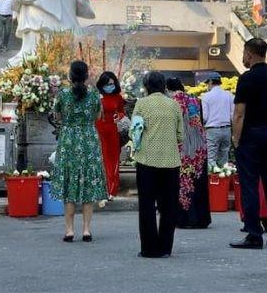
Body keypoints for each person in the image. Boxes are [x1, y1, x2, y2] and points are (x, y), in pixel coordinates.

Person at [230, 38, 267, 250]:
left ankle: (254, 234)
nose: (244, 58)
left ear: (249, 54)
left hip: (251, 136)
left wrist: (236, 139)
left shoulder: (247, 79)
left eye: (244, 54)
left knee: (250, 185)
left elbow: (239, 114)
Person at [50, 61, 107, 242]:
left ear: (71, 75)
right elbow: (98, 116)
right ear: (86, 75)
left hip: (69, 141)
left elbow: (57, 116)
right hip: (89, 139)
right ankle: (87, 230)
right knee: (88, 185)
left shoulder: (63, 94)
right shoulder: (94, 95)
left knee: (69, 185)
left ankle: (69, 230)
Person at [131, 71, 183, 258]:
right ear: (163, 86)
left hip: (146, 160)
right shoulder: (174, 105)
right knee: (169, 206)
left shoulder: (141, 104)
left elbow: (135, 132)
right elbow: (180, 136)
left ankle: (149, 248)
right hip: (170, 161)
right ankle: (165, 248)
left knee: (147, 205)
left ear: (146, 86)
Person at [166, 78, 211, 230]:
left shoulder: (172, 102)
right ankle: (201, 218)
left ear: (168, 89)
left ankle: (185, 219)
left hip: (183, 148)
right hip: (199, 147)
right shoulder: (194, 100)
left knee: (183, 185)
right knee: (198, 183)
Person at [96, 71, 125, 200]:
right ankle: (101, 189)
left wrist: (118, 117)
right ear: (102, 85)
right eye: (107, 84)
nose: (110, 86)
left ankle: (112, 190)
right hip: (97, 130)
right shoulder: (96, 96)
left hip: (112, 130)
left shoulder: (118, 97)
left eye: (112, 84)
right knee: (101, 159)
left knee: (113, 160)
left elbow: (121, 112)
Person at [200, 73, 234, 169]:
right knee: (224, 159)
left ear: (211, 82)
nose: (207, 85)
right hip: (227, 129)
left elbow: (205, 117)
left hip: (212, 130)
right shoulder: (229, 95)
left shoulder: (206, 96)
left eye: (208, 83)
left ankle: (213, 182)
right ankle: (223, 182)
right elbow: (232, 115)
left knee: (211, 159)